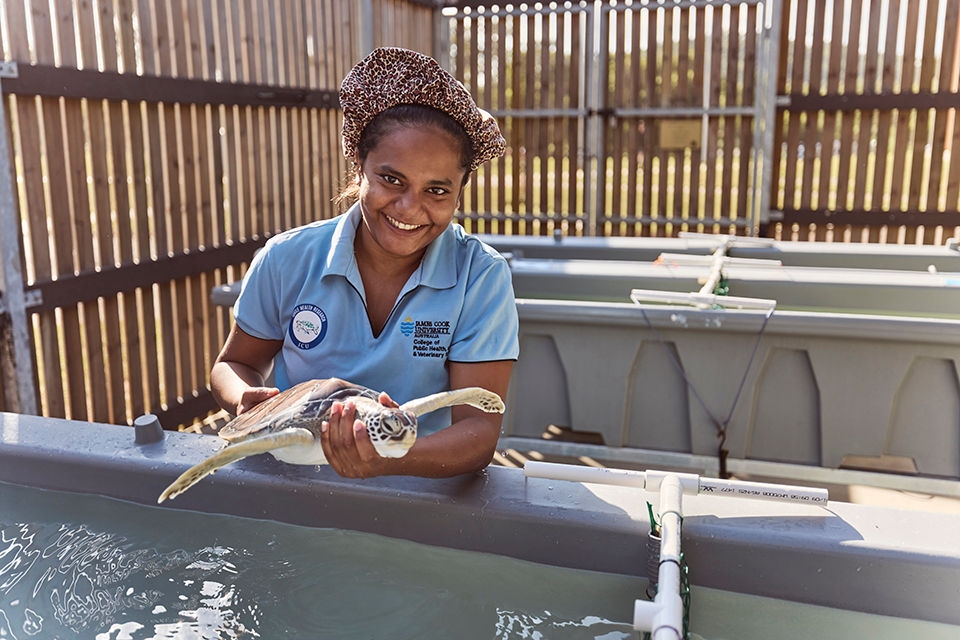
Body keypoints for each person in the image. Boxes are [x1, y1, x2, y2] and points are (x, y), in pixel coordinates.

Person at [210, 47, 519, 480]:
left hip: (420, 488)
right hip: (288, 480)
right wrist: (244, 398)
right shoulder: (287, 258)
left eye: (437, 191)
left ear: (461, 190)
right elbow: (232, 364)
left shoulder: (479, 277)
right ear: (359, 165)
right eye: (392, 180)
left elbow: (479, 430)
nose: (410, 208)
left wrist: (389, 455)